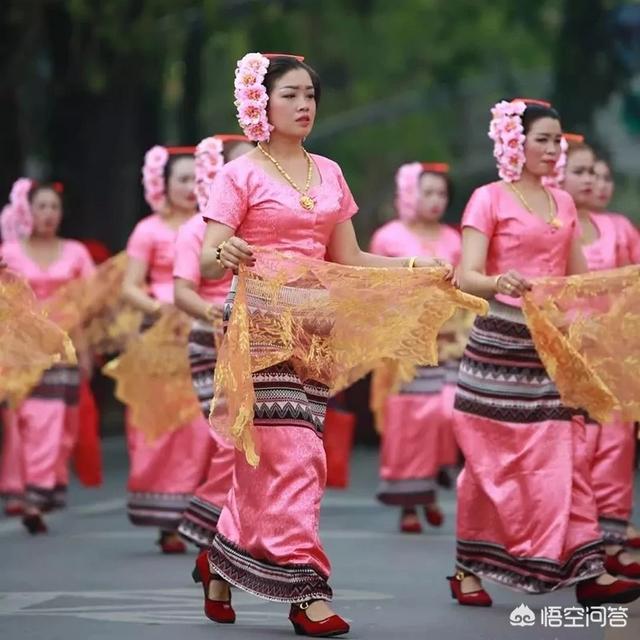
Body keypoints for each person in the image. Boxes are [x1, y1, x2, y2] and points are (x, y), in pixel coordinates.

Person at [196, 52, 452, 637]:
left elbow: (351, 259)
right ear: (260, 102)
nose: (304, 104)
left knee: (280, 455)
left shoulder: (330, 171)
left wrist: (416, 267)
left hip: (316, 332)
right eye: (290, 94)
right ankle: (306, 589)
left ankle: (221, 557)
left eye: (310, 94)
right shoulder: (241, 173)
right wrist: (227, 252)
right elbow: (209, 251)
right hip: (259, 328)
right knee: (295, 455)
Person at [451, 98, 640, 607]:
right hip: (498, 345)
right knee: (491, 464)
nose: (554, 148)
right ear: (515, 142)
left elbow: (579, 281)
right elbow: (465, 275)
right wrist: (497, 279)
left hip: (551, 348)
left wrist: (616, 306)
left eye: (558, 140)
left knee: (567, 453)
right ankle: (469, 564)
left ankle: (588, 569)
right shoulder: (488, 198)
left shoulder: (566, 203)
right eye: (544, 139)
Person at [121, 146, 211, 553]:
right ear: (163, 184)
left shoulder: (212, 227)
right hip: (159, 339)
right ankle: (167, 521)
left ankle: (194, 514)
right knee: (161, 427)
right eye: (182, 180)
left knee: (198, 429)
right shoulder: (148, 230)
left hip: (198, 333)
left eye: (197, 179)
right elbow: (128, 286)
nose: (191, 188)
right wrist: (160, 307)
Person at [561, 139, 640, 578]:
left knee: (615, 441)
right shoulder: (554, 226)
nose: (593, 180)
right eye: (584, 171)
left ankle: (609, 541)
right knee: (574, 445)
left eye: (598, 172)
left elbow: (632, 289)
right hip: (564, 351)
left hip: (611, 353)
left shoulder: (619, 228)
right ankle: (572, 542)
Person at [0, 179, 95, 533]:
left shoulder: (76, 253)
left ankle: (42, 489)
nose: (48, 214)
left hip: (61, 349)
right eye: (41, 206)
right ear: (27, 210)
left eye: (54, 207)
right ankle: (28, 492)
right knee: (22, 422)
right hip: (17, 350)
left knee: (57, 423)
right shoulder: (7, 252)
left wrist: (85, 351)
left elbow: (85, 306)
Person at [370, 161, 460, 533]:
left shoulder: (454, 240)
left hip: (449, 341)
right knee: (410, 422)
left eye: (442, 193)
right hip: (403, 343)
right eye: (428, 192)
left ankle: (434, 479)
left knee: (448, 412)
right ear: (410, 194)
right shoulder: (387, 237)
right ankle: (410, 505)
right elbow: (372, 286)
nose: (436, 200)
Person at [174, 134, 253, 548]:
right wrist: (214, 314)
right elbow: (181, 291)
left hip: (255, 338)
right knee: (231, 435)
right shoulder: (196, 228)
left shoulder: (260, 219)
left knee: (253, 435)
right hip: (211, 341)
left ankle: (227, 526)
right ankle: (209, 523)